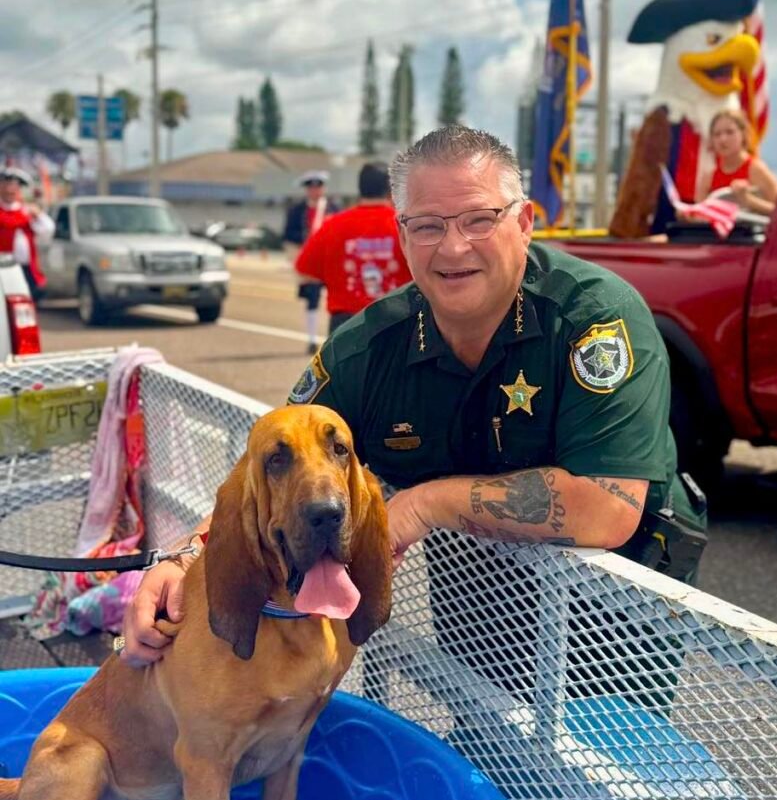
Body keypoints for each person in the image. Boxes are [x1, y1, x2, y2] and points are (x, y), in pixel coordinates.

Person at [122, 126, 706, 710]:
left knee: (602, 763)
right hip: (478, 600)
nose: (453, 248)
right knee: (481, 737)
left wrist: (425, 504)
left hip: (613, 620)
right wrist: (184, 558)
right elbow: (277, 465)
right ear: (402, 235)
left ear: (525, 222)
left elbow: (606, 506)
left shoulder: (593, 319)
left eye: (479, 220)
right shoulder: (367, 351)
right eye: (427, 226)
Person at [294, 162, 412, 335]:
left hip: (346, 327)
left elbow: (304, 270)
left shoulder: (334, 225)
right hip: (396, 322)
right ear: (390, 188)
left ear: (360, 188)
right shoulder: (405, 226)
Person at [281, 170, 338, 353]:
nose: (315, 190)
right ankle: (312, 339)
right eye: (311, 187)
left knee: (336, 299)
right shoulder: (297, 211)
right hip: (311, 260)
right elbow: (288, 234)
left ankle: (334, 339)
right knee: (312, 298)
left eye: (318, 186)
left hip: (330, 260)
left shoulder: (333, 208)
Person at [695, 109, 777, 216]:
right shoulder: (708, 177)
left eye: (730, 132)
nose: (723, 139)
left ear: (743, 134)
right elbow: (698, 216)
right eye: (717, 134)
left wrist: (749, 200)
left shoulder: (756, 169)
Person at [0, 166, 55, 296]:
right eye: (6, 185)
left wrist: (38, 214)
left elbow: (48, 229)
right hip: (3, 268)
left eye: (14, 186)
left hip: (26, 269)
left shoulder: (27, 211)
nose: (10, 190)